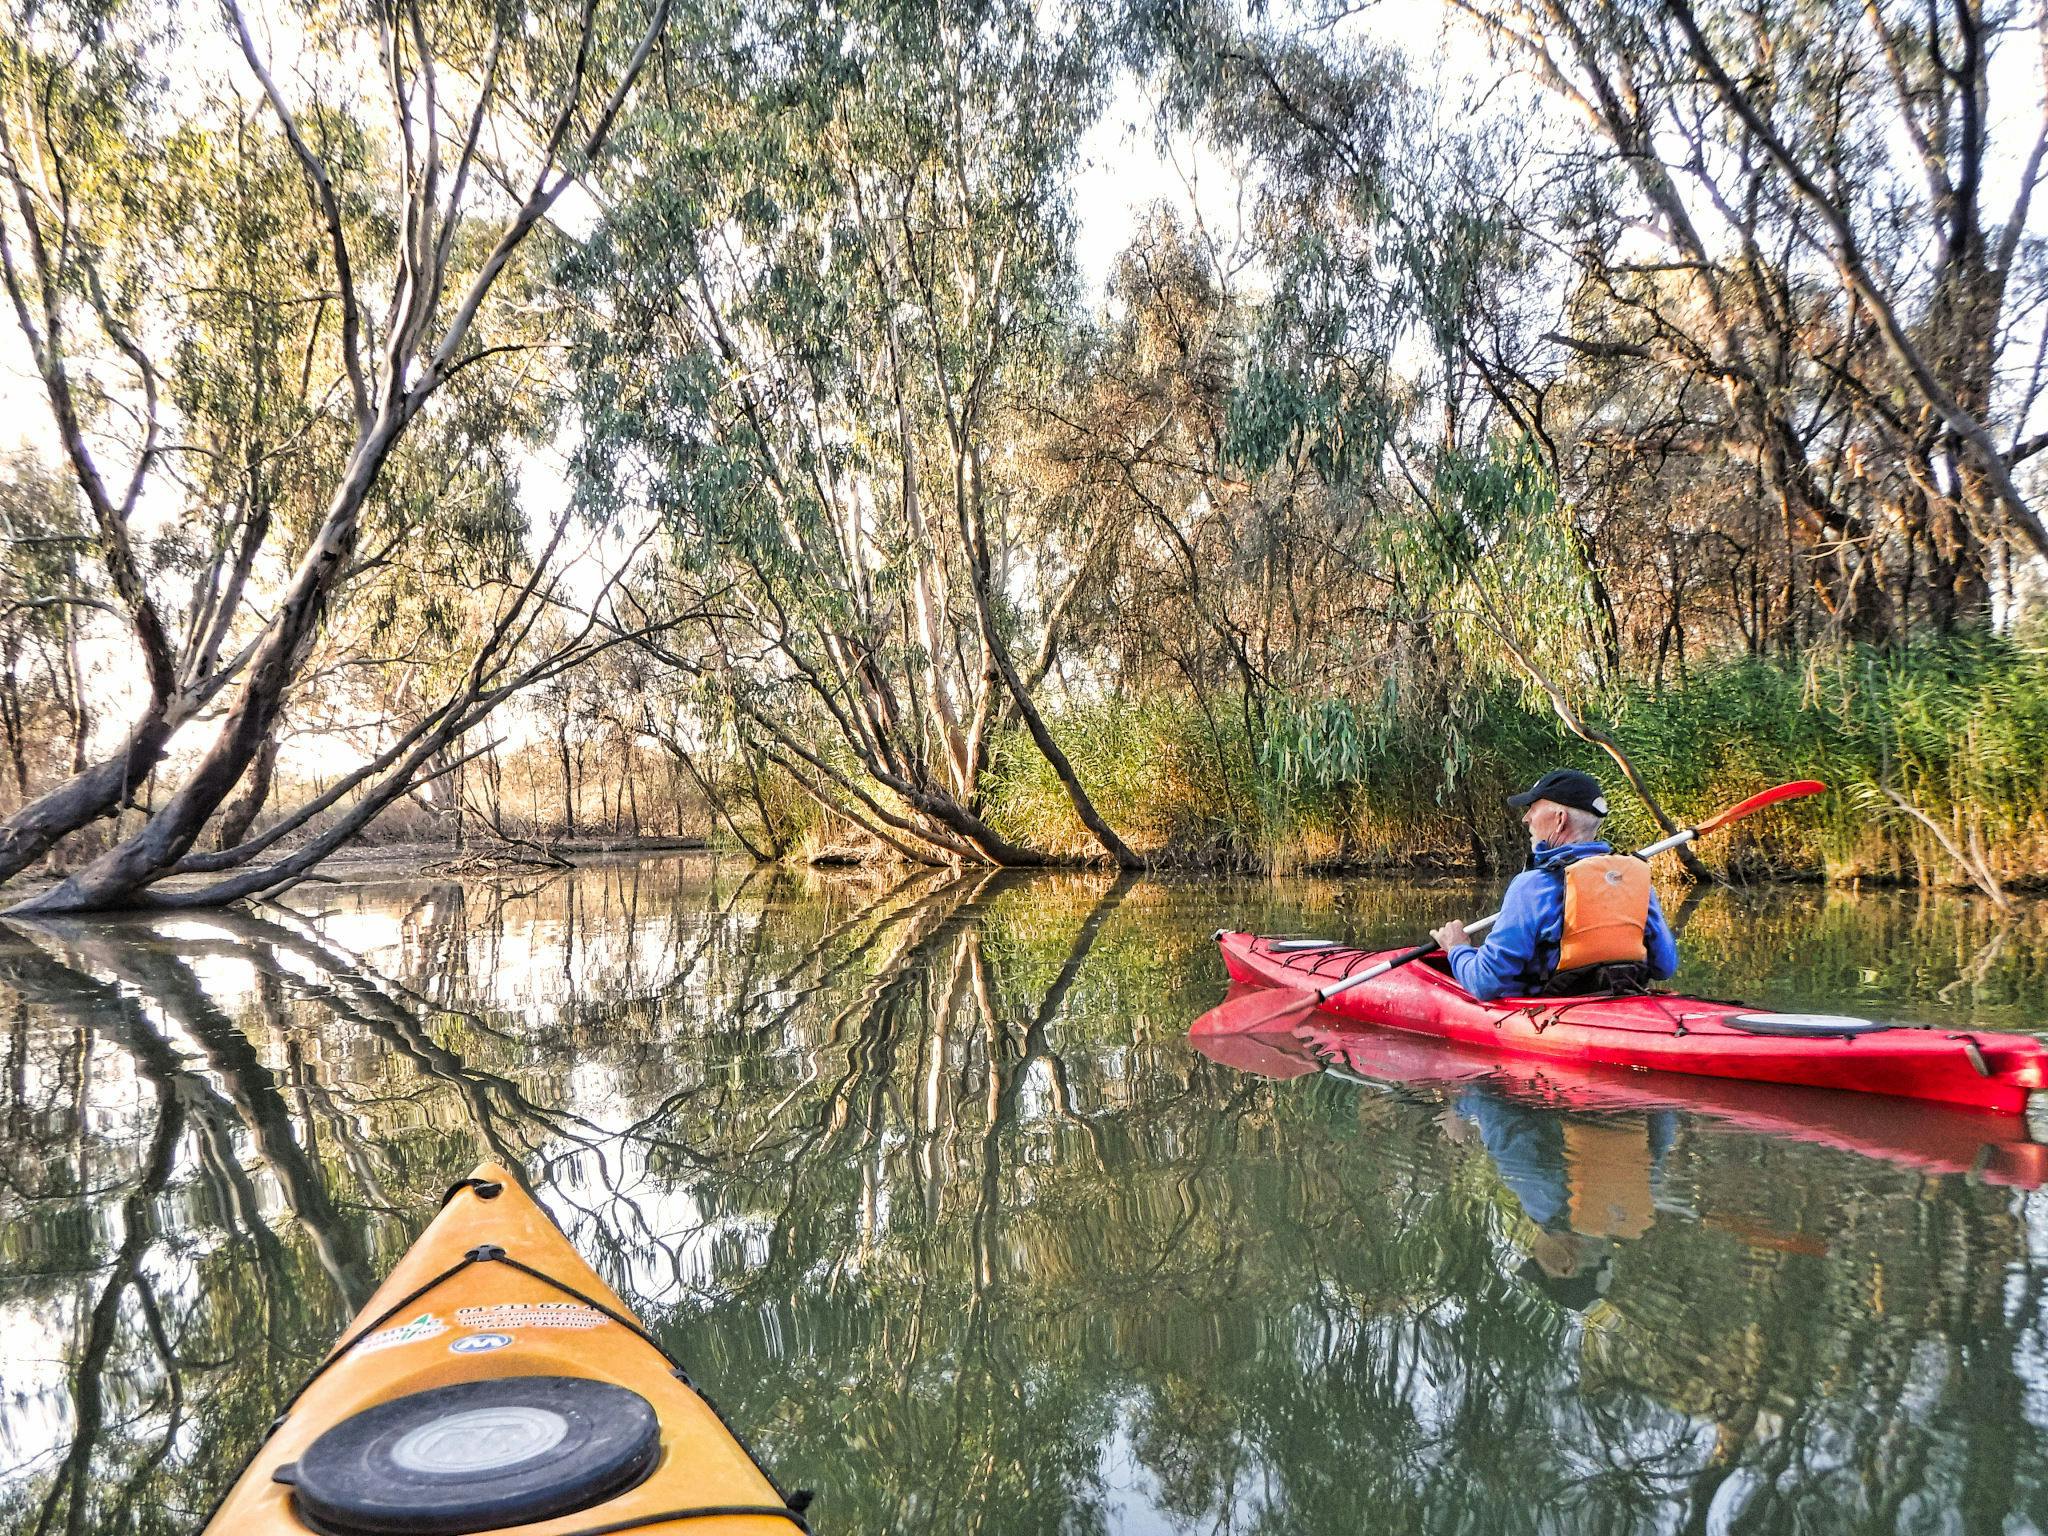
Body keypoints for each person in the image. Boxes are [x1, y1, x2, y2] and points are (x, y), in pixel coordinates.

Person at [1429, 768, 1679, 1001]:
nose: (1526, 818)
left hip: (1551, 1012)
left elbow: (1484, 983)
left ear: (1560, 820)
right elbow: (1664, 967)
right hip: (1620, 1004)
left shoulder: (1532, 886)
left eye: (1533, 808)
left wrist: (1457, 948)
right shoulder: (1635, 881)